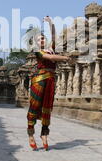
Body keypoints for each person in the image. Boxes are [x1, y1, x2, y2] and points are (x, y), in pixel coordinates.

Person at [27, 17, 72, 151]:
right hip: (39, 80)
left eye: (43, 38)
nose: (42, 40)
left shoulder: (51, 48)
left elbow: (53, 35)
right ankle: (30, 134)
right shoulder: (38, 51)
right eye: (39, 39)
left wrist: (51, 23)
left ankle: (44, 134)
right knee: (34, 107)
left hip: (50, 81)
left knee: (47, 108)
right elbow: (51, 58)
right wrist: (66, 58)